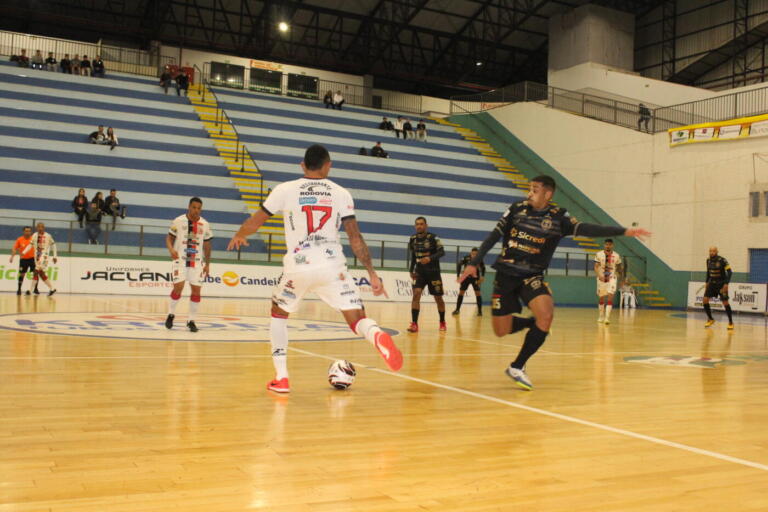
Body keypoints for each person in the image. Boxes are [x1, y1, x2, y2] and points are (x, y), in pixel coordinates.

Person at [226, 144, 403, 393]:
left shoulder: (284, 190)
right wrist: (372, 273)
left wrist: (239, 234)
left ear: (302, 165)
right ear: (328, 165)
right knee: (356, 319)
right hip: (333, 266)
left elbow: (256, 220)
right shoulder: (341, 193)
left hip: (299, 267)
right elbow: (355, 237)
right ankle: (375, 334)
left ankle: (282, 378)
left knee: (279, 314)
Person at [459, 175, 650, 390]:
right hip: (505, 274)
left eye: (535, 189)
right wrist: (474, 263)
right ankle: (532, 323)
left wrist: (624, 231)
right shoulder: (516, 209)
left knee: (546, 314)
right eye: (530, 189)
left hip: (531, 276)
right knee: (501, 330)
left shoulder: (559, 217)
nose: (529, 193)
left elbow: (588, 229)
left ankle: (517, 366)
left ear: (547, 194)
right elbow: (493, 236)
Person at [165, 197, 213, 333]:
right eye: (194, 207)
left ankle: (191, 320)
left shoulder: (205, 224)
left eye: (199, 208)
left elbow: (208, 245)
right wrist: (171, 249)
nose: (196, 210)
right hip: (180, 261)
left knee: (197, 292)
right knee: (177, 289)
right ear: (189, 207)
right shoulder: (178, 221)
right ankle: (171, 314)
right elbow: (169, 238)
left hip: (197, 263)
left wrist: (207, 264)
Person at [407, 216, 447, 333]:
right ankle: (414, 324)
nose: (419, 226)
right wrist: (411, 270)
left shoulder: (433, 238)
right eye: (417, 224)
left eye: (421, 224)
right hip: (419, 272)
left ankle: (442, 322)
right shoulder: (412, 239)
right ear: (415, 226)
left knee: (438, 298)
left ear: (426, 225)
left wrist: (430, 258)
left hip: (433, 272)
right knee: (416, 293)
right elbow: (414, 256)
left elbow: (442, 252)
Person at [703, 246, 734, 330]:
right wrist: (706, 282)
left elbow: (730, 272)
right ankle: (710, 319)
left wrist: (726, 283)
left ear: (717, 251)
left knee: (725, 302)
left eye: (713, 251)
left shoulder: (722, 260)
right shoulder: (708, 260)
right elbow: (708, 273)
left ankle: (731, 322)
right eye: (710, 251)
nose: (711, 252)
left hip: (721, 284)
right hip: (712, 284)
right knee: (705, 300)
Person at [594, 238, 623, 324]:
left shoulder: (617, 255)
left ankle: (607, 318)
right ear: (604, 245)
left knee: (610, 296)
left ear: (612, 245)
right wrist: (599, 275)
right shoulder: (599, 254)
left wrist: (622, 278)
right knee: (601, 297)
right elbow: (596, 266)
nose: (608, 246)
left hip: (612, 278)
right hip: (602, 278)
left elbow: (619, 268)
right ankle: (601, 316)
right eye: (606, 244)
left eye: (610, 244)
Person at [453, 247, 485, 316]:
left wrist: (482, 276)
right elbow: (459, 264)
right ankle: (457, 310)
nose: (474, 255)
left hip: (475, 278)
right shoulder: (466, 258)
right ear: (470, 253)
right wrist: (458, 275)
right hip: (466, 278)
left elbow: (483, 268)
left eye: (476, 254)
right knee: (461, 293)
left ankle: (479, 311)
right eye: (473, 253)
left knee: (478, 293)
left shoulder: (479, 259)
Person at [29, 222, 58, 296]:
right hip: (37, 256)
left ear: (44, 228)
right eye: (38, 227)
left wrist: (55, 256)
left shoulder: (48, 235)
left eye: (41, 227)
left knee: (36, 271)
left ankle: (30, 290)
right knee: (41, 274)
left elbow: (53, 245)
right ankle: (52, 289)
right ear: (36, 228)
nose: (40, 228)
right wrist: (23, 252)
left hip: (44, 256)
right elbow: (30, 245)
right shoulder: (35, 235)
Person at [9, 226, 35, 295]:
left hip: (32, 259)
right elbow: (14, 248)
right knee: (22, 274)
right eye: (26, 231)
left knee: (36, 273)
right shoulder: (19, 239)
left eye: (29, 231)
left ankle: (35, 289)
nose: (28, 232)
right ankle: (19, 289)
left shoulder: (33, 239)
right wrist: (12, 257)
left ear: (31, 232)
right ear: (23, 231)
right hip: (23, 260)